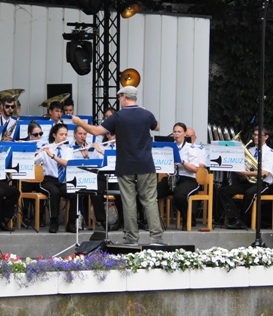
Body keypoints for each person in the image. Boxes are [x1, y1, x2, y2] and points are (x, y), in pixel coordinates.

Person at [73, 85, 164, 246]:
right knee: (150, 200)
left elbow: (95, 131)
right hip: (146, 164)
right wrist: (146, 113)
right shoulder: (146, 114)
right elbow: (157, 126)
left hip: (125, 165)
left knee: (129, 201)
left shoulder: (118, 116)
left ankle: (131, 238)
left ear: (124, 97)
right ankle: (156, 238)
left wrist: (79, 122)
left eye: (120, 97)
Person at [217, 127, 273, 229]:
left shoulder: (270, 153)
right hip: (248, 182)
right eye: (255, 135)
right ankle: (235, 219)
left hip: (263, 184)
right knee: (223, 191)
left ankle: (242, 220)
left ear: (266, 137)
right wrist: (237, 169)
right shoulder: (250, 150)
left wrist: (246, 173)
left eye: (259, 135)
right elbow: (242, 166)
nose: (256, 137)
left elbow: (265, 173)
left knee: (249, 193)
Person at [33, 123, 76, 233]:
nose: (64, 137)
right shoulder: (47, 148)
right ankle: (53, 222)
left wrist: (52, 156)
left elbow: (66, 164)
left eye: (66, 134)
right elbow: (34, 161)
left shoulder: (68, 150)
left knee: (74, 193)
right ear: (54, 135)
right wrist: (37, 153)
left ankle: (71, 223)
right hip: (48, 180)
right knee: (54, 193)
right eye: (61, 134)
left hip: (62, 181)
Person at [167, 124, 205, 226]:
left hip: (188, 179)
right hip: (172, 178)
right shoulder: (169, 147)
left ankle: (187, 219)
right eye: (174, 132)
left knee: (179, 196)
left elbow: (195, 169)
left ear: (184, 134)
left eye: (179, 132)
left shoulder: (190, 148)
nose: (176, 134)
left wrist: (182, 162)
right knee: (154, 191)